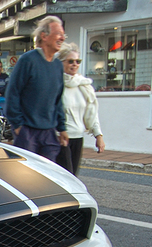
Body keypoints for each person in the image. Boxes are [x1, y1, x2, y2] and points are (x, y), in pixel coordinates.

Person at [5, 16, 69, 162]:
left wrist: (62, 128)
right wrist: (18, 126)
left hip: (49, 134)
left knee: (47, 176)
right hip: (27, 132)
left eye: (63, 35)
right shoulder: (28, 60)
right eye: (59, 33)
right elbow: (12, 94)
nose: (62, 38)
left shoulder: (58, 65)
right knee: (26, 177)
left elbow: (58, 100)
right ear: (44, 36)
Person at [56, 42, 105, 175]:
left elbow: (92, 112)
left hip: (78, 136)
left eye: (78, 61)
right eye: (71, 61)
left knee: (73, 176)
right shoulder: (56, 84)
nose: (75, 64)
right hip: (60, 137)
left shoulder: (84, 85)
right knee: (65, 176)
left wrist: (98, 135)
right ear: (61, 62)